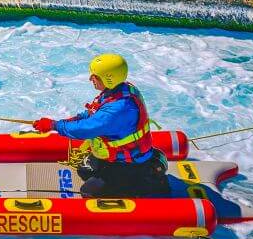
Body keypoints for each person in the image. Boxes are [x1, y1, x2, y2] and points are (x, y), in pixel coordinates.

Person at [32, 53, 170, 198]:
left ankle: (147, 183)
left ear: (109, 79)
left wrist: (54, 126)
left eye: (95, 76)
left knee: (88, 192)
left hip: (130, 164)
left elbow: (86, 129)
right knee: (84, 170)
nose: (90, 79)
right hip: (119, 157)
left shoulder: (118, 110)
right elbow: (93, 113)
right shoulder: (118, 90)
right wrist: (69, 120)